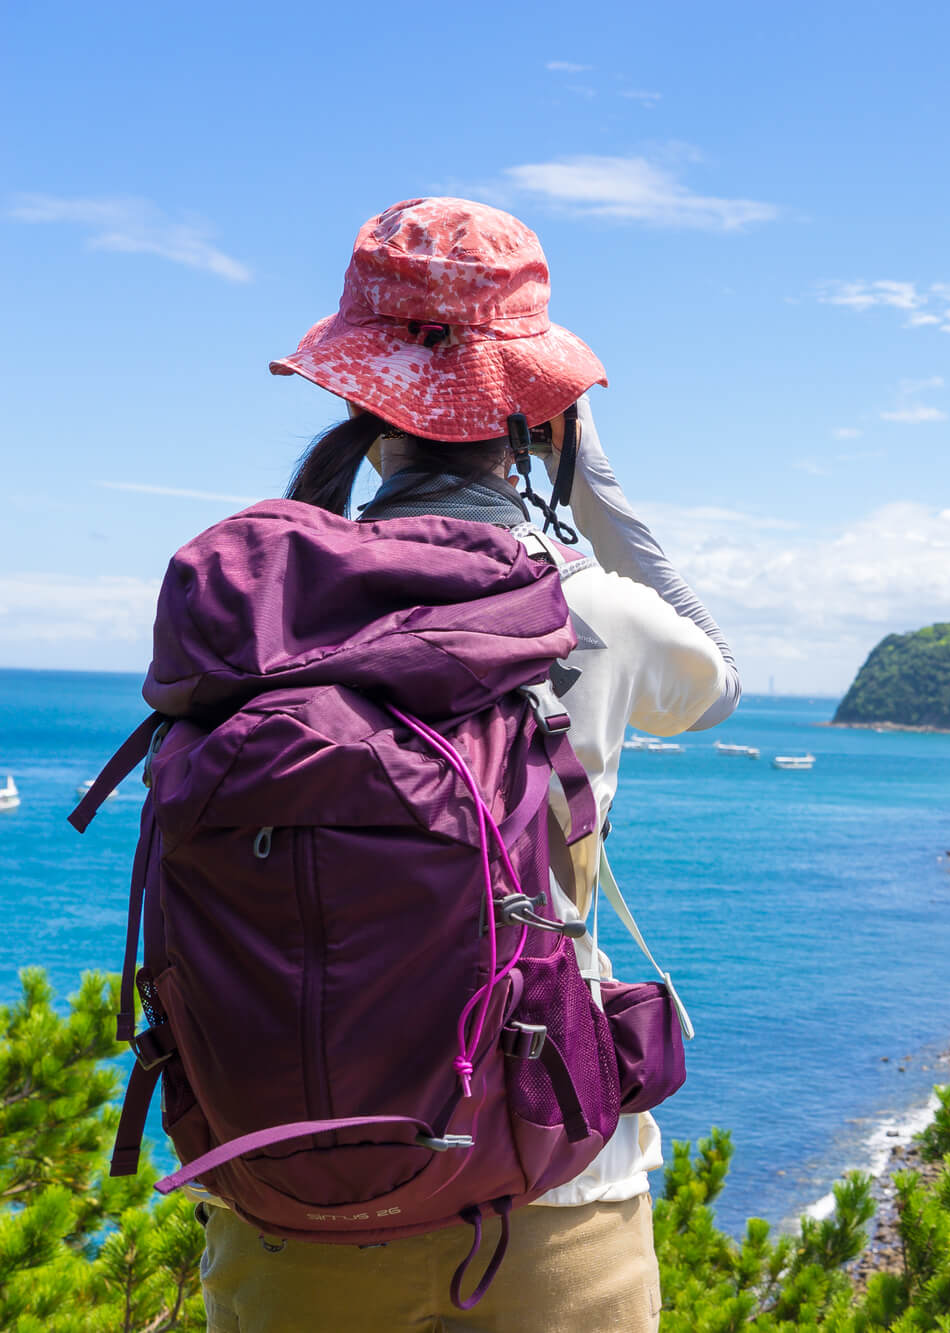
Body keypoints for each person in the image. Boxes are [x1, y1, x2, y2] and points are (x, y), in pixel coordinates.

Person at [196, 197, 739, 1331]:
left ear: (357, 398)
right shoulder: (591, 610)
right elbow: (718, 683)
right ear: (539, 413)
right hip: (555, 1178)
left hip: (288, 1185)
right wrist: (592, 484)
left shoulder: (249, 605)